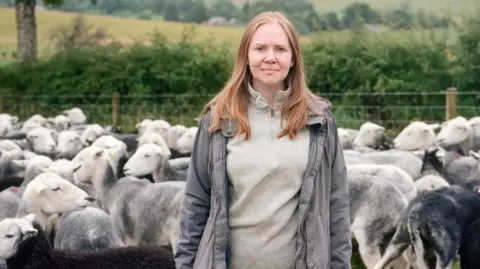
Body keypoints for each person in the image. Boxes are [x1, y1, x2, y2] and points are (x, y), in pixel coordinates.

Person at [174, 11, 352, 269]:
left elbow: (336, 206)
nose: (270, 57)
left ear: (293, 59)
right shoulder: (217, 120)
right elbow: (195, 203)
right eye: (260, 49)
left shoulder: (320, 122)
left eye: (280, 49)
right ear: (246, 57)